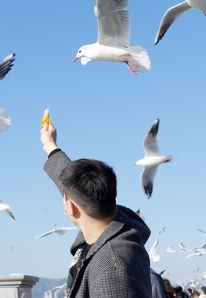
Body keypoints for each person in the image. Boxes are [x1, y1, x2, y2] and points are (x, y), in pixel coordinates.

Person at [40, 123, 151, 298]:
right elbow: (73, 187)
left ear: (71, 208)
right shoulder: (114, 226)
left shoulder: (112, 268)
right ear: (114, 191)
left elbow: (75, 191)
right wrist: (50, 146)